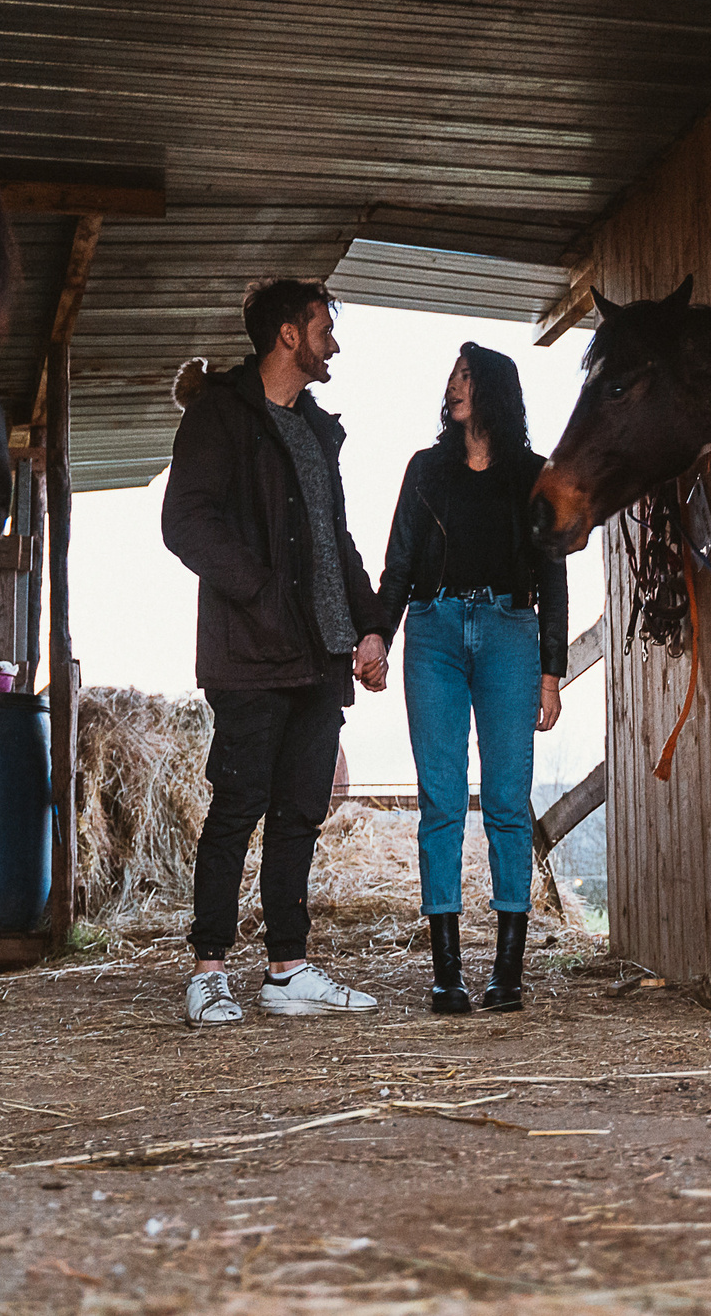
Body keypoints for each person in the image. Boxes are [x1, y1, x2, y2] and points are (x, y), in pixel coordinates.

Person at [162, 278, 391, 1027]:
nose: (334, 345)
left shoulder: (317, 431)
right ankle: (209, 971)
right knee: (237, 807)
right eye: (324, 329)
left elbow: (335, 541)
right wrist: (263, 592)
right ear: (289, 335)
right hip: (251, 653)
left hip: (321, 655)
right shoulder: (221, 415)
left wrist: (370, 624)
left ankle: (287, 969)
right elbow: (184, 522)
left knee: (300, 813)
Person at [377, 344, 568, 1014]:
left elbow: (551, 574)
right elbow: (399, 562)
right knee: (442, 801)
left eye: (466, 376)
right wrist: (378, 633)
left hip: (510, 634)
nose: (454, 386)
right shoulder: (425, 469)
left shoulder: (534, 474)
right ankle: (447, 974)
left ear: (493, 389)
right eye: (452, 376)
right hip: (433, 632)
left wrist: (551, 672)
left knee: (509, 800)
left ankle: (507, 973)